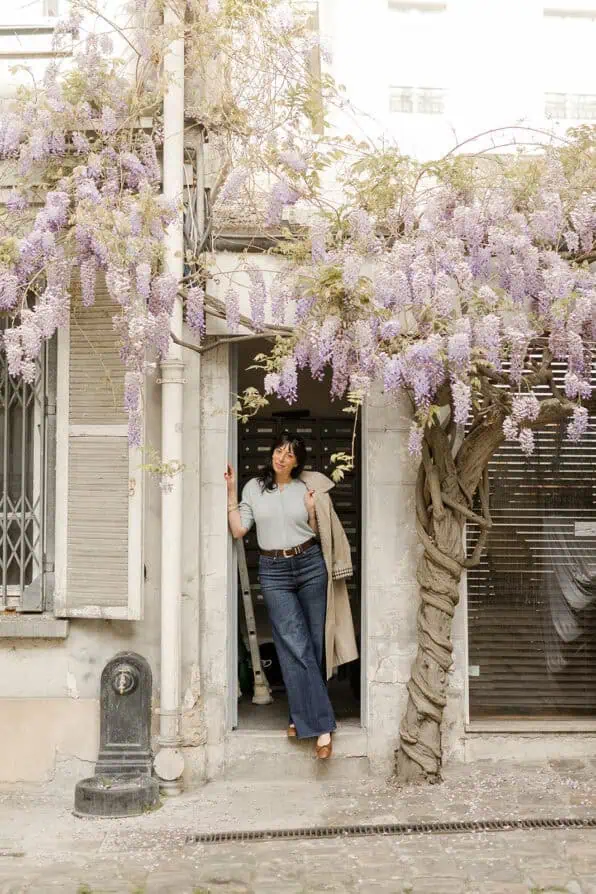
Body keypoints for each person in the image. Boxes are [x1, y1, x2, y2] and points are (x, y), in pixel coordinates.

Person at [225, 431, 358, 759]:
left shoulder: (305, 489)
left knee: (313, 644)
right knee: (292, 644)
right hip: (273, 571)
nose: (280, 458)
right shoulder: (253, 488)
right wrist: (230, 493)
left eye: (288, 454)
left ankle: (299, 717)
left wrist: (312, 510)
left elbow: (315, 531)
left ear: (297, 462)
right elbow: (239, 529)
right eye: (278, 451)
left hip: (310, 564)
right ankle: (323, 726)